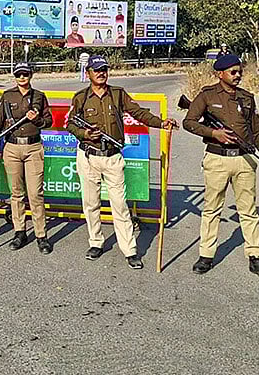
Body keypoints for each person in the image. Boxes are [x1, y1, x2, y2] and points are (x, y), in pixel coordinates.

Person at [65, 54, 177, 269]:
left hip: (113, 156)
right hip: (88, 156)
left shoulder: (118, 94)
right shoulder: (80, 97)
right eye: (96, 70)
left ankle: (130, 250)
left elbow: (139, 113)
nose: (101, 73)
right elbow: (69, 124)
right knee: (91, 204)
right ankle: (96, 242)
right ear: (88, 73)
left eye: (104, 69)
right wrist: (86, 134)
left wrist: (161, 123)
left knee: (120, 206)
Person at [183, 54, 259, 281]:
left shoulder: (247, 97)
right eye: (233, 72)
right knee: (212, 208)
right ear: (220, 74)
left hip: (244, 159)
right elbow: (189, 122)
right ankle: (206, 255)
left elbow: (258, 132)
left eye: (239, 71)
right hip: (217, 159)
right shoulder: (207, 95)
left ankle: (255, 256)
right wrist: (213, 133)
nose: (238, 75)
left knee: (248, 210)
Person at [0, 62, 54, 254]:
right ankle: (19, 231)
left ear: (31, 75)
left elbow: (48, 121)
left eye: (25, 74)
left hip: (33, 147)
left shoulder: (39, 97)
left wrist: (37, 120)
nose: (22, 78)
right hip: (12, 147)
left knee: (35, 194)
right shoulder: (7, 96)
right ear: (15, 76)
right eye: (18, 75)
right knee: (16, 193)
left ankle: (41, 235)